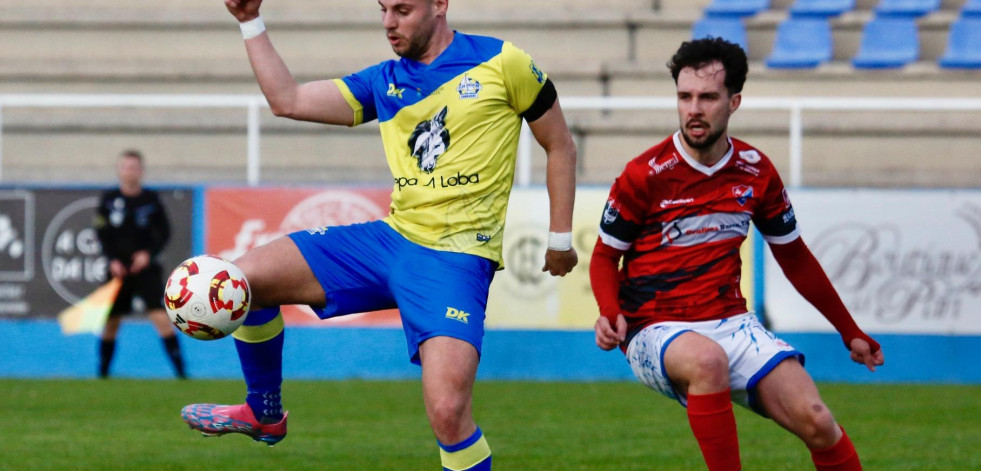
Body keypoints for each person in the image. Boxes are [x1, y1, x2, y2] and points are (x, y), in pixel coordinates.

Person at [180, 1, 578, 469]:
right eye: (384, 9)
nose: (389, 22)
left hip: (455, 259)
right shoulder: (383, 81)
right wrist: (250, 21)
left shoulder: (503, 62)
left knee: (449, 412)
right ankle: (263, 412)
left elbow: (559, 144)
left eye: (403, 9)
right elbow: (287, 100)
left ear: (440, 5)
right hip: (389, 241)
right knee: (240, 280)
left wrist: (559, 237)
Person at [589, 38, 885, 471]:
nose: (694, 108)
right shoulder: (645, 174)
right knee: (707, 360)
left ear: (734, 102)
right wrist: (608, 310)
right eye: (684, 96)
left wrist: (849, 330)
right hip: (653, 326)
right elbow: (602, 257)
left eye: (707, 97)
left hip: (731, 321)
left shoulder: (755, 169)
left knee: (818, 421)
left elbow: (795, 257)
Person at [94, 149, 185, 379]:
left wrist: (148, 254)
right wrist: (112, 258)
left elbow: (164, 232)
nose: (130, 172)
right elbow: (101, 232)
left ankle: (181, 373)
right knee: (110, 322)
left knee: (161, 318)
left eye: (134, 168)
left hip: (146, 270)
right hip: (117, 270)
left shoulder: (151, 200)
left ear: (141, 171)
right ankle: (102, 375)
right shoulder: (108, 199)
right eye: (126, 167)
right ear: (119, 170)